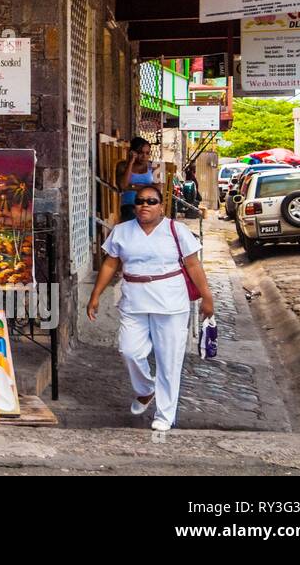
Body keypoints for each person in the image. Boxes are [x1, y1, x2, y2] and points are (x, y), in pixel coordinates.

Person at [86, 183, 215, 432]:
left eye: (151, 201)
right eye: (140, 201)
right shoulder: (123, 231)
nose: (144, 205)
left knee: (169, 361)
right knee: (129, 350)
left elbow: (193, 265)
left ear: (161, 206)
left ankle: (165, 415)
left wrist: (206, 298)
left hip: (171, 302)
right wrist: (95, 294)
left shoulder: (176, 231)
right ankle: (145, 389)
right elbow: (111, 264)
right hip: (134, 299)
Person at [115, 136, 156, 222]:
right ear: (132, 152)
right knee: (132, 218)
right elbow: (123, 186)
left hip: (150, 205)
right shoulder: (122, 166)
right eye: (140, 153)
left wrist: (132, 186)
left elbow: (158, 189)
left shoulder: (157, 166)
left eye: (147, 153)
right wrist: (131, 162)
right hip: (129, 206)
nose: (144, 156)